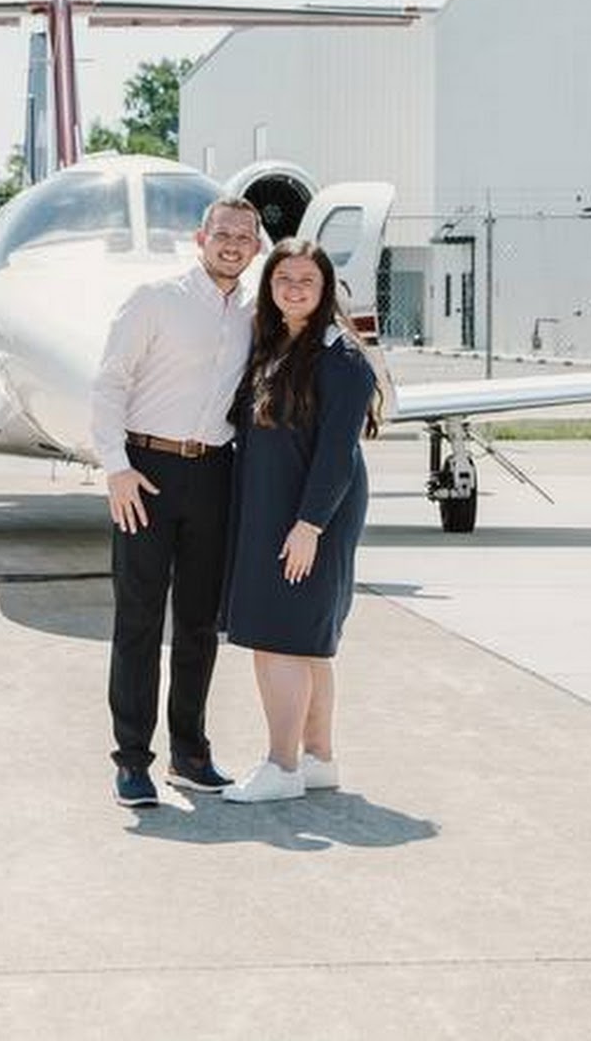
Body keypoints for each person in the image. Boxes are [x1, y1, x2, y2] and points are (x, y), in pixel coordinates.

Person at [92, 194, 263, 808]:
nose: (232, 245)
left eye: (243, 237)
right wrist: (116, 468)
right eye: (223, 234)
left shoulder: (254, 313)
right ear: (200, 238)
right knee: (138, 620)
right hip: (147, 471)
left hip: (215, 472)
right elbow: (109, 381)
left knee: (198, 623)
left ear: (257, 247)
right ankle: (132, 761)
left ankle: (189, 755)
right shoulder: (155, 299)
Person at [220, 237, 381, 803]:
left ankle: (281, 766)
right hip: (275, 503)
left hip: (310, 512)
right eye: (283, 279)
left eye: (306, 281)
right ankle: (318, 758)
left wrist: (309, 525)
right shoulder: (274, 346)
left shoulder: (342, 360)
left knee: (280, 638)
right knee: (308, 641)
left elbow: (338, 452)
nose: (293, 289)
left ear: (325, 289)